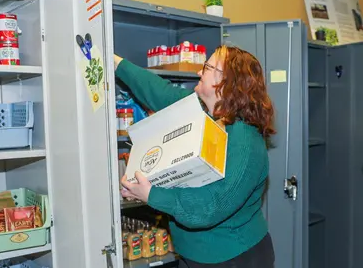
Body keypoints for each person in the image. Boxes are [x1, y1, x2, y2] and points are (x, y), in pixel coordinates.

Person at [116, 45, 276, 268]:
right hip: (194, 255)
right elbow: (160, 92)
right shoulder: (201, 113)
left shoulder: (246, 143)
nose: (199, 73)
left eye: (207, 68)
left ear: (227, 82)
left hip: (233, 258)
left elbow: (209, 206)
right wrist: (116, 63)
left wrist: (151, 194)